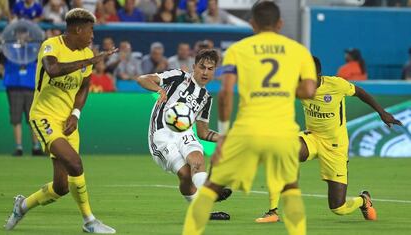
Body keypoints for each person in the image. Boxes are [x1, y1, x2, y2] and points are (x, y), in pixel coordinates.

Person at [182, 1, 317, 235]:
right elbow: (308, 91)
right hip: (283, 132)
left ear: (252, 23)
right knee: (290, 189)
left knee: (211, 188)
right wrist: (283, 90)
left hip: (247, 131)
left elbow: (225, 94)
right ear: (280, 23)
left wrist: (224, 134)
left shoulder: (238, 50)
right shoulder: (299, 51)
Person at [4, 8, 117, 234]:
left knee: (61, 187)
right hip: (44, 116)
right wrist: (89, 60)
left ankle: (22, 205)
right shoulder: (51, 45)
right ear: (78, 29)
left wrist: (76, 114)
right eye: (90, 31)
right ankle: (89, 221)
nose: (92, 36)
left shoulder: (86, 53)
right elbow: (53, 69)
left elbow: (84, 88)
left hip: (67, 120)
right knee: (75, 163)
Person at [257, 56, 402, 224]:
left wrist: (382, 112)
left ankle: (363, 200)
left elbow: (360, 92)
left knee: (338, 207)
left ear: (318, 74)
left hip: (335, 146)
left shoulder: (336, 85)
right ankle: (273, 212)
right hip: (313, 137)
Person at [137, 49, 232, 221]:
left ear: (214, 72)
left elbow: (203, 132)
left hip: (185, 133)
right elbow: (142, 79)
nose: (205, 72)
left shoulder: (206, 98)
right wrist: (159, 90)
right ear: (194, 67)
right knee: (185, 175)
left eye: (210, 69)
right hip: (162, 134)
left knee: (197, 159)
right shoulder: (179, 76)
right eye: (202, 67)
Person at [2, 52, 45, 156]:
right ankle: (19, 147)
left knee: (33, 118)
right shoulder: (9, 48)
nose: (22, 36)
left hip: (31, 86)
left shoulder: (33, 48)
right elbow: (1, 61)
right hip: (14, 86)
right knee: (16, 118)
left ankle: (36, 147)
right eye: (19, 34)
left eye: (24, 34)